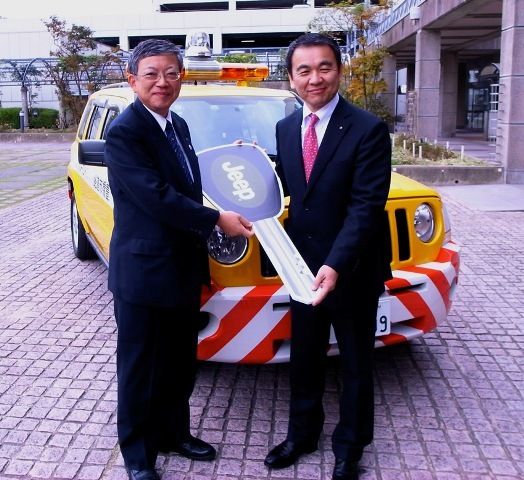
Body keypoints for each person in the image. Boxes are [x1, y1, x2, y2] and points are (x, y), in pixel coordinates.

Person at [104, 39, 253, 480]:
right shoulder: (126, 132)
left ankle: (174, 434)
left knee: (179, 362)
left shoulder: (177, 124)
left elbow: (188, 183)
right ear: (133, 80)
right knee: (140, 368)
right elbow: (156, 197)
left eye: (171, 73)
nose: (162, 82)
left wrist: (235, 160)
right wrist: (216, 219)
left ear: (181, 77)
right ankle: (138, 455)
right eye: (151, 74)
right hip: (144, 272)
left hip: (182, 268)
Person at [264, 33, 392, 480]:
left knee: (356, 364)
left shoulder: (367, 129)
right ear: (291, 78)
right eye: (304, 70)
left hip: (350, 268)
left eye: (324, 67)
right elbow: (289, 190)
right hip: (302, 268)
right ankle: (302, 435)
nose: (315, 78)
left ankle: (350, 448)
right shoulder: (285, 129)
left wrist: (335, 265)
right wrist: (247, 172)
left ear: (339, 71)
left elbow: (365, 207)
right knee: (305, 357)